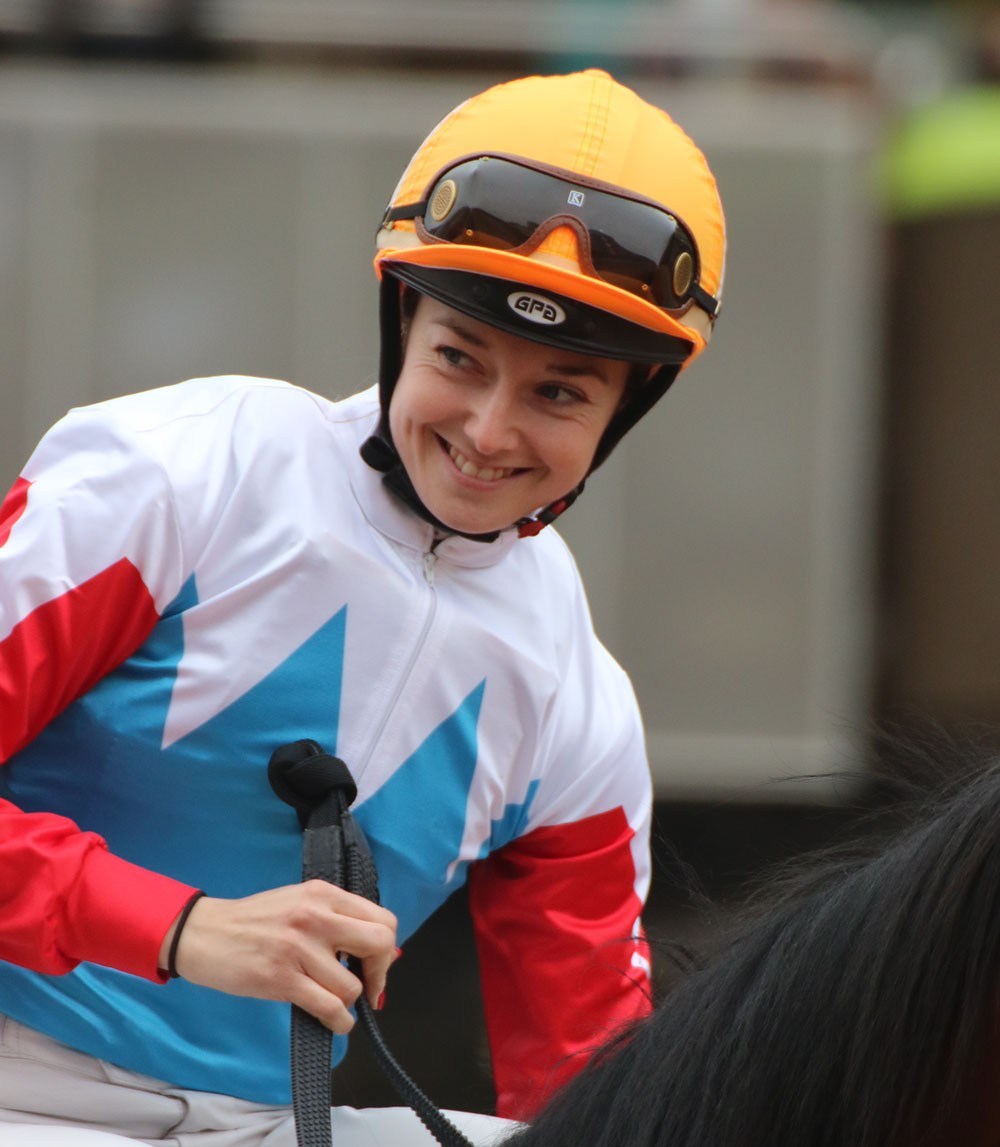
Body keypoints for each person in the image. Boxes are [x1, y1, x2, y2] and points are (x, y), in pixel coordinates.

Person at [0, 68, 725, 1145]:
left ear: (629, 408)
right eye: (458, 358)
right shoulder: (177, 476)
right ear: (401, 319)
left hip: (264, 1123)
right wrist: (181, 927)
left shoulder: (577, 699)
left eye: (558, 393)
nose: (488, 430)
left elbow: (588, 1081)